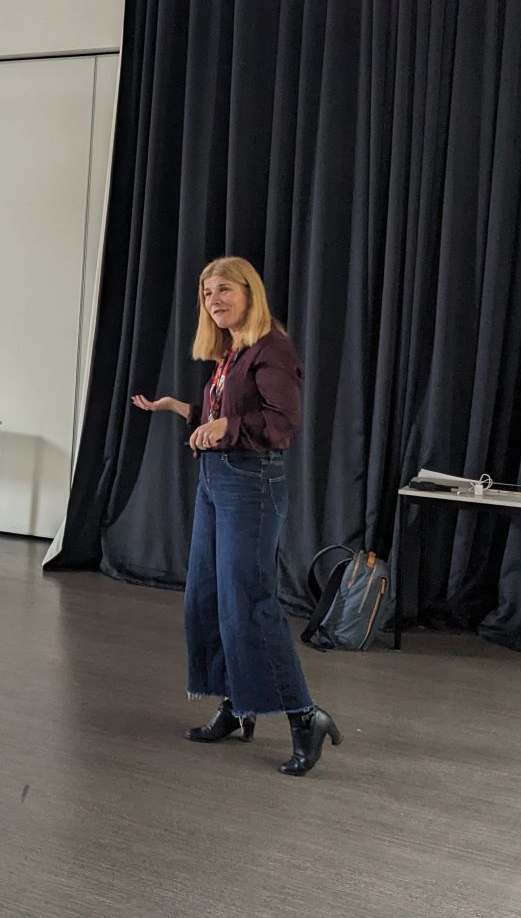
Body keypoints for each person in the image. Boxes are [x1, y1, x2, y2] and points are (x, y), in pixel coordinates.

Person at [132, 256, 341, 776]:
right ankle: (236, 705)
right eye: (206, 294)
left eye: (224, 290)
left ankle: (302, 716)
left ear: (250, 291)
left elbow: (281, 423)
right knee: (207, 597)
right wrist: (184, 410)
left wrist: (224, 425)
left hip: (251, 483)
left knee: (248, 602)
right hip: (216, 479)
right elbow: (224, 418)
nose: (214, 301)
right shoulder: (234, 351)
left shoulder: (273, 348)